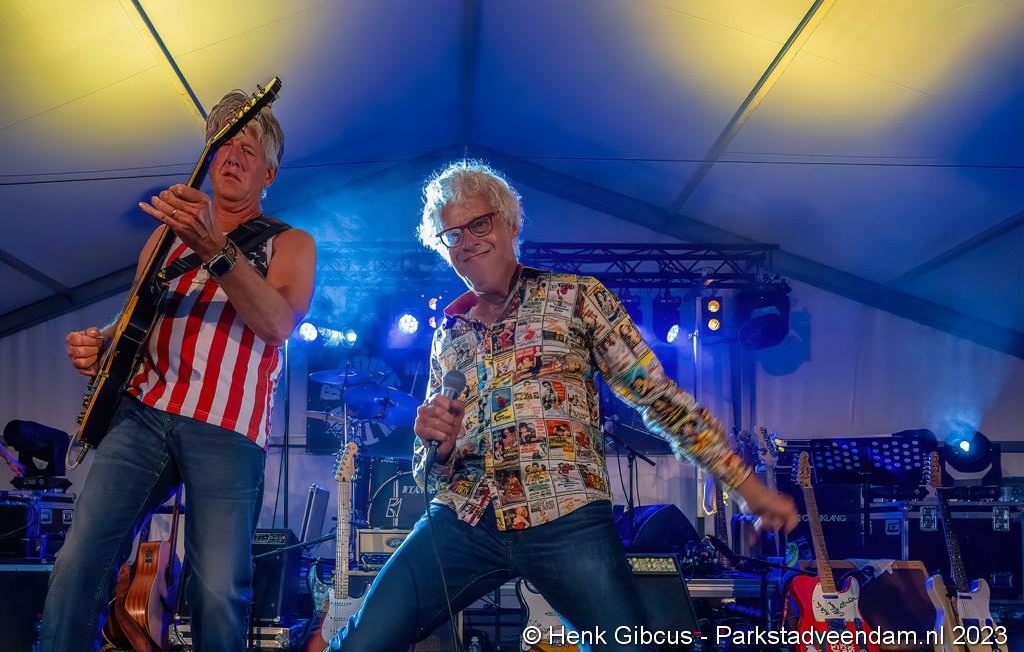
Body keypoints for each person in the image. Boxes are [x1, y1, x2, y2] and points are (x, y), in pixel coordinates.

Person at [324, 160, 797, 651]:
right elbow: (430, 471)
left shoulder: (576, 297)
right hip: (465, 517)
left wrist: (746, 486)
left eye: (479, 224)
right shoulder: (449, 334)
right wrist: (435, 445)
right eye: (452, 235)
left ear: (511, 223)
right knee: (361, 641)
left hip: (565, 515)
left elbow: (659, 398)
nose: (467, 242)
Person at [42, 90, 316, 652]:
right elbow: (133, 320)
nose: (232, 156)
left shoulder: (290, 242)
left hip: (227, 428)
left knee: (217, 591)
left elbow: (277, 324)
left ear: (269, 173)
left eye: (248, 149)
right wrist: (100, 343)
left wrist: (216, 247)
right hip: (142, 414)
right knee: (79, 560)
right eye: (223, 145)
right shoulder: (162, 237)